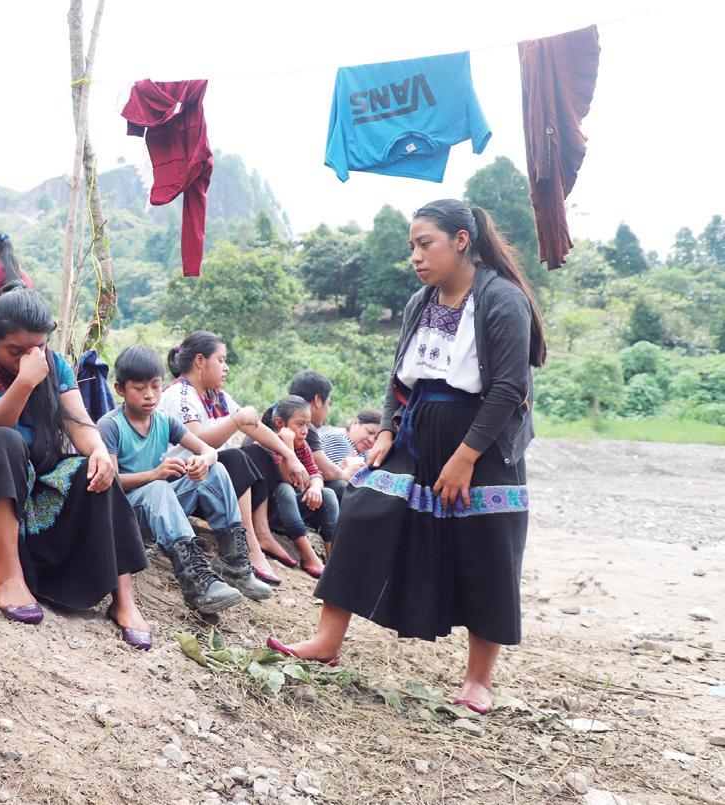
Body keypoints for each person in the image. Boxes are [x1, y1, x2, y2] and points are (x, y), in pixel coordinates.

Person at [268, 199, 546, 716]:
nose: (415, 256)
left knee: (488, 545)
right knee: (362, 512)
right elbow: (399, 377)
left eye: (425, 244)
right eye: (412, 246)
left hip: (483, 441)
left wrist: (465, 457)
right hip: (417, 434)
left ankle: (478, 680)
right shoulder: (420, 301)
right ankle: (326, 641)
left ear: (461, 241)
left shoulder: (502, 299)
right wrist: (388, 429)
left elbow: (510, 389)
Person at [0, 287, 152, 649]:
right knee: (3, 441)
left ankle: (124, 599)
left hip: (38, 477)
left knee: (96, 470)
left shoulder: (54, 364)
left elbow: (79, 422)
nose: (27, 358)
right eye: (15, 351)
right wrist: (25, 382)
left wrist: (99, 452)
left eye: (37, 348)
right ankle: (8, 575)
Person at [98, 345, 245, 615]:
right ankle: (196, 582)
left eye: (155, 387)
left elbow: (209, 450)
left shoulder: (164, 421)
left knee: (217, 470)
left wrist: (202, 462)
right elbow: (111, 481)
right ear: (120, 389)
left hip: (160, 507)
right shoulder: (111, 425)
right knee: (157, 487)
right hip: (127, 515)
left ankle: (234, 562)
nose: (149, 395)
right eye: (139, 388)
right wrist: (154, 474)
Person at [160, 331, 311, 594]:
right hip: (184, 482)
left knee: (260, 455)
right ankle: (248, 547)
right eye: (221, 360)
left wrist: (290, 456)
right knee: (235, 458)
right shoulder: (179, 395)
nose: (226, 367)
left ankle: (260, 533)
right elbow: (197, 440)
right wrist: (235, 421)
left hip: (209, 479)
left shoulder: (216, 396)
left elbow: (254, 426)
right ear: (199, 361)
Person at [265, 396, 338, 571]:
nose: (305, 431)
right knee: (285, 488)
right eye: (300, 424)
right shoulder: (267, 443)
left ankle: (333, 558)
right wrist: (288, 447)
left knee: (328, 493)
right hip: (272, 509)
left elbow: (315, 472)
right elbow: (286, 478)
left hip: (293, 509)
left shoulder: (302, 446)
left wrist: (315, 487)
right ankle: (308, 556)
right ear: (280, 423)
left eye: (307, 425)